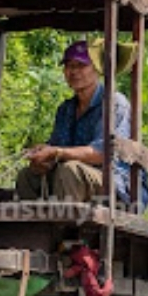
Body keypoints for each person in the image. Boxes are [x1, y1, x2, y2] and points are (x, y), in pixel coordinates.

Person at [15, 40, 132, 203]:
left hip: (113, 184)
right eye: (69, 66)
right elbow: (56, 148)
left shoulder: (115, 103)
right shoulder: (65, 109)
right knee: (27, 176)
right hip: (70, 180)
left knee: (70, 170)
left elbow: (103, 153)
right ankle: (35, 227)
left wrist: (57, 152)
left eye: (81, 65)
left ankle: (65, 227)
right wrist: (43, 158)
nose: (73, 71)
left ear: (97, 69)